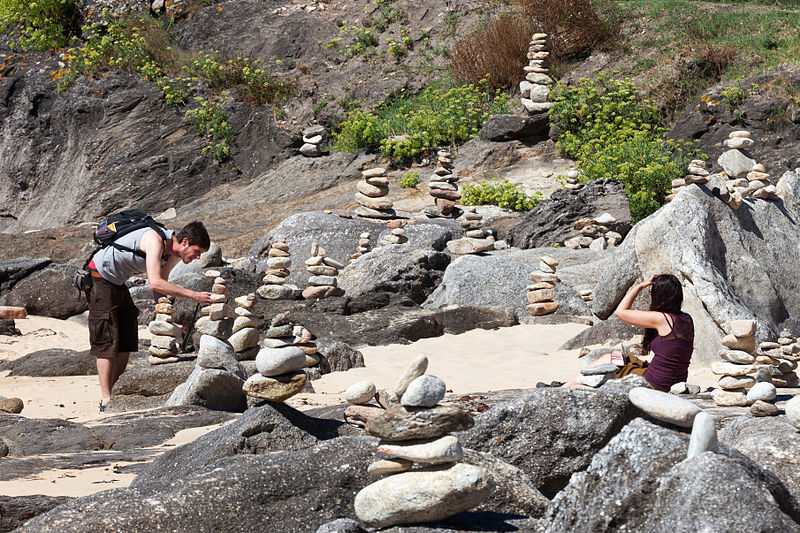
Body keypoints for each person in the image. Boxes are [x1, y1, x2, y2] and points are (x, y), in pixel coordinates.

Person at [87, 221, 213, 412]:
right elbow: (154, 283)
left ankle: (114, 390)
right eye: (197, 251)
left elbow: (161, 285)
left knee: (127, 337)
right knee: (106, 340)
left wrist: (167, 320)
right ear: (185, 242)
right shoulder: (155, 240)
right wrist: (193, 295)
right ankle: (106, 399)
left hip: (118, 282)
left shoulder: (170, 252)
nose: (197, 257)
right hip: (100, 277)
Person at [565, 273, 694, 391]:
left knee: (610, 358)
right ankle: (571, 385)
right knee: (620, 357)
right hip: (675, 381)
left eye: (651, 292)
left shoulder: (661, 319)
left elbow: (620, 312)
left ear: (659, 296)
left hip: (655, 383)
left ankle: (566, 387)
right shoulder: (686, 319)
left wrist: (641, 286)